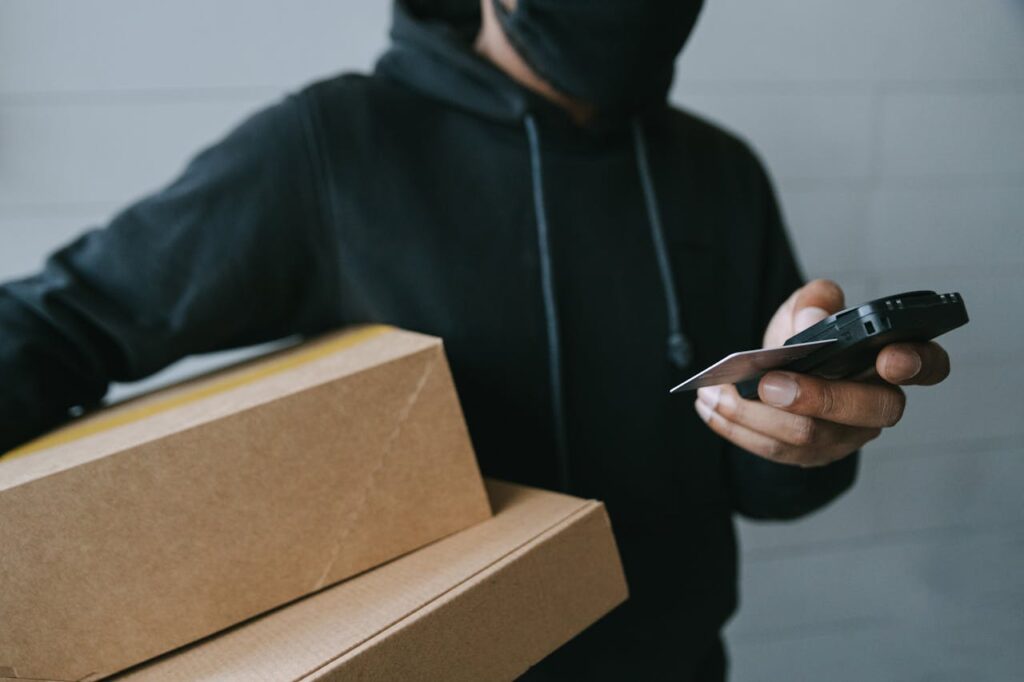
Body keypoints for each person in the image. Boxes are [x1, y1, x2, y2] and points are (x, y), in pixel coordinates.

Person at [0, 0, 951, 679]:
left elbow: (767, 495)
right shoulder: (331, 144)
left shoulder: (721, 171)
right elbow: (51, 325)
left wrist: (812, 437)